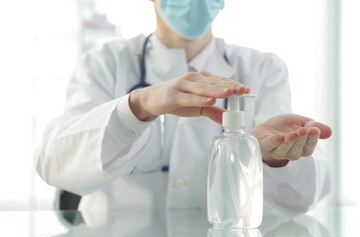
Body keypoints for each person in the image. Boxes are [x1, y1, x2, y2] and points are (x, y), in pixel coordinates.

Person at [35, 0, 332, 217]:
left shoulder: (263, 68)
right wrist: (136, 108)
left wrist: (272, 158)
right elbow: (54, 162)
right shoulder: (105, 63)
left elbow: (300, 197)